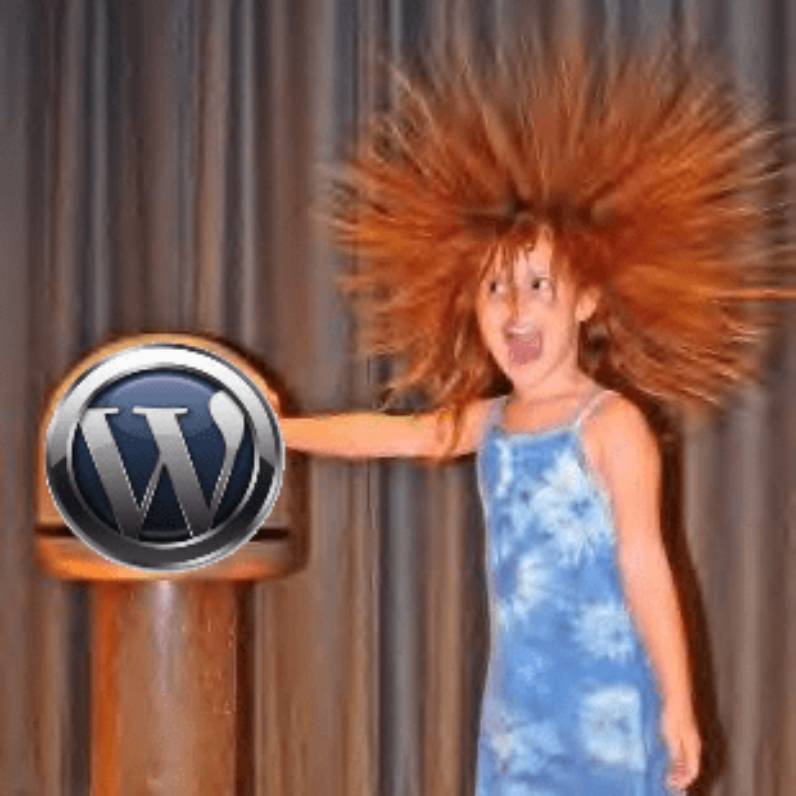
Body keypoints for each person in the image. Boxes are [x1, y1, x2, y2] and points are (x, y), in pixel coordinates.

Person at [264, 29, 793, 795]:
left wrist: (679, 701)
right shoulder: (490, 424)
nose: (515, 305)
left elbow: (645, 564)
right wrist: (279, 431)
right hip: (519, 723)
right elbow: (393, 435)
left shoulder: (611, 426)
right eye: (494, 288)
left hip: (612, 718)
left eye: (539, 285)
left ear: (587, 301)